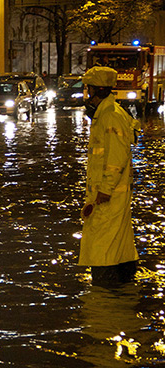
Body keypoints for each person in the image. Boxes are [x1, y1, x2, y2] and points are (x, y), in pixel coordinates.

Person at [79, 66, 140, 286]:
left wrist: (105, 189)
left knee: (102, 244)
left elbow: (116, 157)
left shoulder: (111, 116)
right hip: (109, 193)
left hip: (108, 195)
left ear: (98, 90)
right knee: (117, 241)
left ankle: (106, 290)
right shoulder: (106, 113)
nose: (87, 93)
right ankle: (123, 284)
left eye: (89, 88)